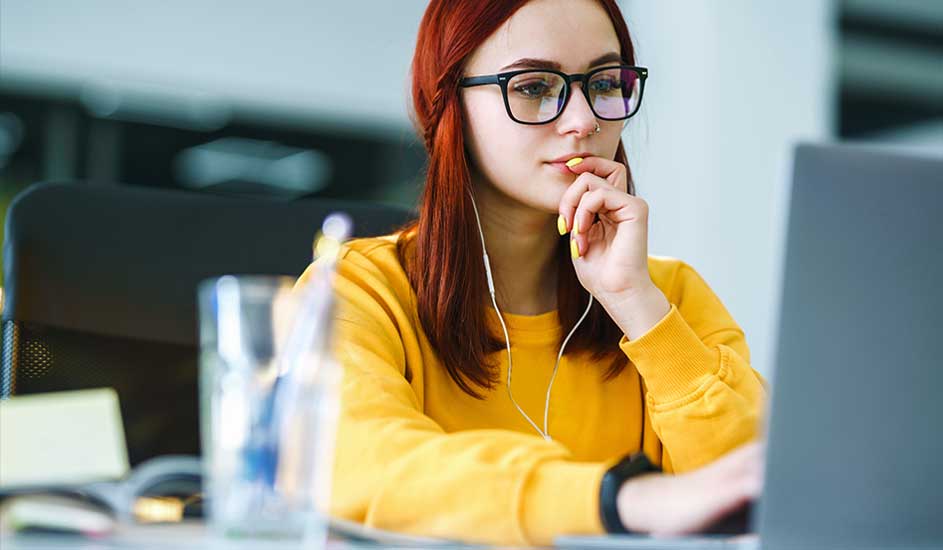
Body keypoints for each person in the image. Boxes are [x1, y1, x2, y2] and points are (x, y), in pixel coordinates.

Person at [297, 0, 766, 545]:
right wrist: (619, 501)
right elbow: (355, 466)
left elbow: (756, 490)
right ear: (448, 103)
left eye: (605, 82)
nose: (585, 120)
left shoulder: (668, 295)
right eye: (535, 87)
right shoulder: (359, 291)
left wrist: (637, 305)